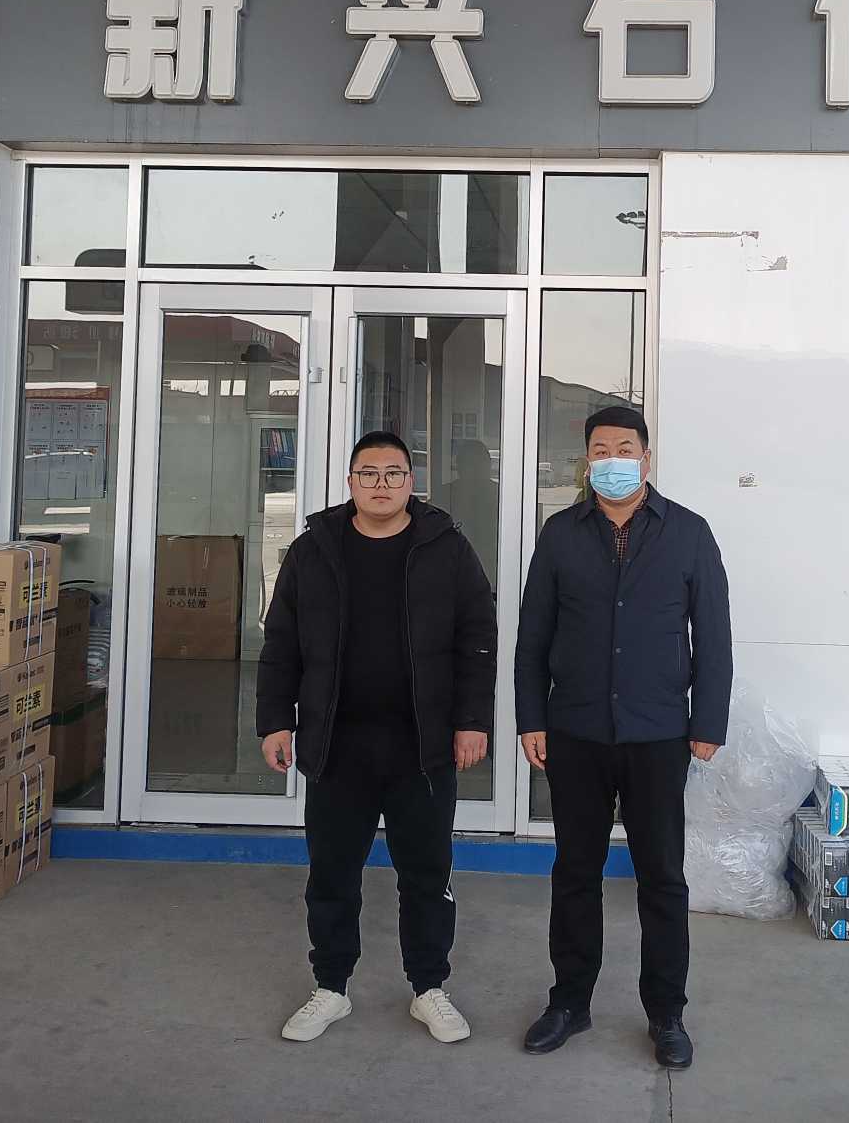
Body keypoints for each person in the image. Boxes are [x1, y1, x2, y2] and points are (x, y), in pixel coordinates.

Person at [256, 431, 497, 1045]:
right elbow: (281, 642)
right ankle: (331, 987)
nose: (381, 484)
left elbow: (477, 637)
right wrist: (276, 719)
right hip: (337, 745)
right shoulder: (315, 550)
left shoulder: (445, 547)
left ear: (411, 482)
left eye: (394, 473)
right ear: (351, 482)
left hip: (422, 745)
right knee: (332, 873)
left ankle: (429, 987)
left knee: (427, 871)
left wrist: (472, 720)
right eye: (369, 473)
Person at [514, 406, 731, 1070]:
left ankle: (667, 1013)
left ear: (646, 458)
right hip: (575, 730)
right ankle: (569, 1002)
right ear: (587, 462)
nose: (613, 459)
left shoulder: (688, 532)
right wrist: (531, 717)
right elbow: (533, 635)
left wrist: (707, 723)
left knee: (661, 876)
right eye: (601, 450)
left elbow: (713, 634)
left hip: (658, 734)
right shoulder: (561, 534)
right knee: (575, 871)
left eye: (625, 448)